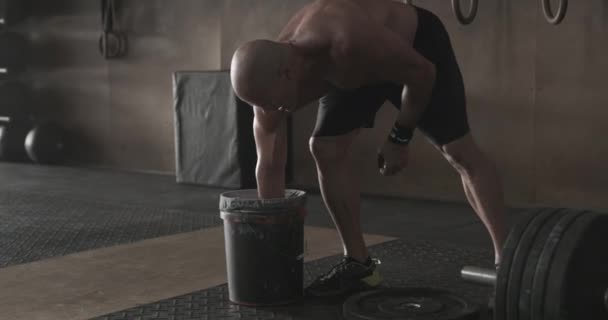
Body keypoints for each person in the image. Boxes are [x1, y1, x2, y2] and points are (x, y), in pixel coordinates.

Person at [230, 0, 507, 297]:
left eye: (272, 103)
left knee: (459, 152)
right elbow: (270, 168)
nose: (270, 111)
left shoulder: (344, 39)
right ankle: (359, 266)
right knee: (325, 149)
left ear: (286, 73)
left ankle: (507, 261)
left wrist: (400, 138)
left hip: (413, 49)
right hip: (352, 75)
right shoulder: (270, 91)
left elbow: (423, 74)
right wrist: (272, 254)